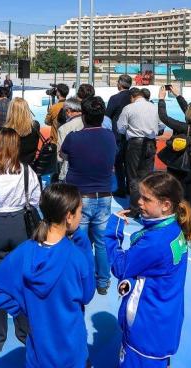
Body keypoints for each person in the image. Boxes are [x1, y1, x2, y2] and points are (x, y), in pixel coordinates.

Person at [0, 184, 95, 368]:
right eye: (79, 212)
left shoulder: (25, 251)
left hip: (39, 351)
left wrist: (22, 309)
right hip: (71, 350)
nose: (81, 216)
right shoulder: (76, 256)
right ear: (69, 216)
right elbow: (87, 295)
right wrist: (84, 245)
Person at [105, 172, 191, 368]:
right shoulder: (174, 229)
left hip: (146, 325)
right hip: (164, 319)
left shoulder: (155, 242)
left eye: (147, 199)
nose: (139, 202)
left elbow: (121, 267)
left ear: (165, 205)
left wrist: (112, 232)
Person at [0, 128, 40, 352]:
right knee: (23, 280)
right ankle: (24, 331)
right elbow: (35, 199)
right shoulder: (26, 172)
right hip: (20, 225)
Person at [61, 96, 118, 293]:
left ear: (83, 116)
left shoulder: (74, 137)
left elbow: (63, 154)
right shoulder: (110, 136)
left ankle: (80, 281)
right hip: (103, 195)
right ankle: (103, 282)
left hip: (80, 197)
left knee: (79, 241)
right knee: (101, 243)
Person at [157, 85, 191, 252]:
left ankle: (174, 233)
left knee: (172, 201)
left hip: (177, 168)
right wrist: (178, 95)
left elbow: (164, 117)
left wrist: (162, 99)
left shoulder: (182, 127)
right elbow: (190, 112)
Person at [117, 87, 163, 213]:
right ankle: (147, 206)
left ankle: (135, 207)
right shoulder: (154, 107)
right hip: (150, 142)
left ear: (132, 97)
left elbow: (120, 127)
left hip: (134, 143)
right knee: (147, 176)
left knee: (133, 176)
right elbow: (161, 125)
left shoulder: (129, 108)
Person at [106, 74, 133, 197]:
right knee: (129, 163)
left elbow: (107, 115)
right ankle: (130, 188)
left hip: (117, 134)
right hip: (131, 133)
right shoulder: (133, 97)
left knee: (118, 163)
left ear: (120, 84)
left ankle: (121, 188)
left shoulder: (115, 98)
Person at [3, 97, 41, 168]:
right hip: (30, 167)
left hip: (13, 169)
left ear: (11, 111)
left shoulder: (5, 130)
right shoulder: (35, 125)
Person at [56, 97, 83, 181]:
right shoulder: (90, 123)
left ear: (68, 111)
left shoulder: (64, 128)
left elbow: (59, 157)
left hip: (69, 172)